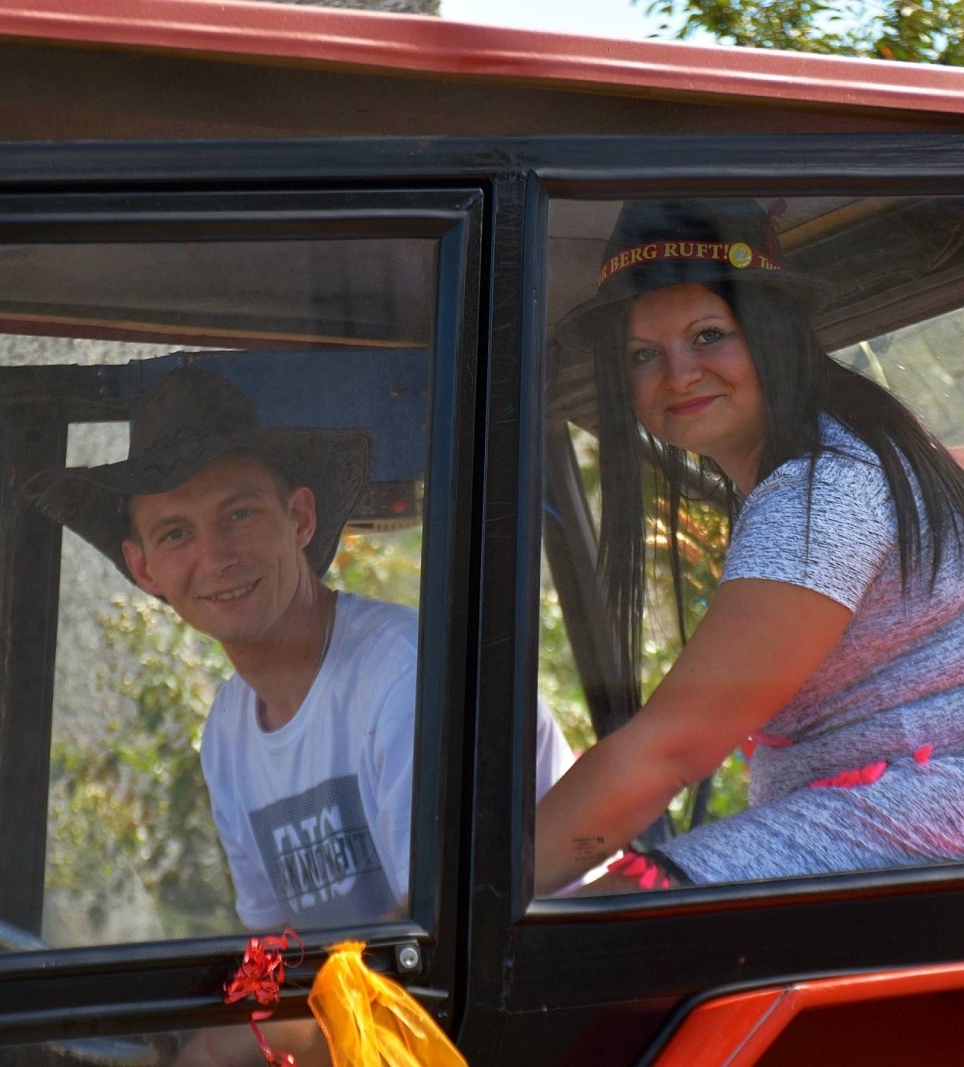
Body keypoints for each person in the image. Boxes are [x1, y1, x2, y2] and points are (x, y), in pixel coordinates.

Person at [536, 199, 964, 895]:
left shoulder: (827, 488)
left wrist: (460, 916)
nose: (678, 373)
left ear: (774, 335)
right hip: (937, 810)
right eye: (642, 354)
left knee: (616, 921)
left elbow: (670, 749)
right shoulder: (822, 466)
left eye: (708, 335)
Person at [31, 366, 574, 930]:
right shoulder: (228, 733)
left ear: (299, 519)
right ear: (143, 567)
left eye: (239, 515)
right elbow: (274, 958)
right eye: (176, 533)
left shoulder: (404, 679)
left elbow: (437, 938)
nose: (216, 558)